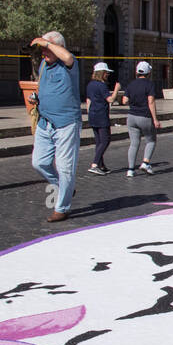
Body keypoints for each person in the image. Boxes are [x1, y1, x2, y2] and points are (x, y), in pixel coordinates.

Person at [30, 31, 80, 222]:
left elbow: (67, 56)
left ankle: (62, 207)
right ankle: (64, 186)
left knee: (64, 167)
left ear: (56, 46)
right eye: (42, 48)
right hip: (45, 122)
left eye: (46, 47)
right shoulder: (44, 65)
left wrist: (47, 44)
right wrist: (36, 98)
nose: (43, 52)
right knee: (39, 162)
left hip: (66, 123)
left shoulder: (69, 64)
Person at [118, 61, 160, 176]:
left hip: (131, 116)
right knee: (151, 140)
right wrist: (155, 119)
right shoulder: (149, 84)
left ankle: (130, 170)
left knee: (134, 143)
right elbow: (151, 101)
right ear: (148, 73)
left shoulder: (131, 84)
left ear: (137, 72)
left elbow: (124, 100)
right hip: (144, 116)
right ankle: (145, 163)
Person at [85, 62, 115, 175]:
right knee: (105, 140)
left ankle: (101, 165)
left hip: (93, 114)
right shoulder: (102, 86)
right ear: (101, 73)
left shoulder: (90, 85)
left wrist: (89, 113)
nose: (107, 74)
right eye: (106, 72)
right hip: (101, 115)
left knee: (99, 141)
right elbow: (110, 99)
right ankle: (95, 164)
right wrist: (117, 89)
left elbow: (88, 100)